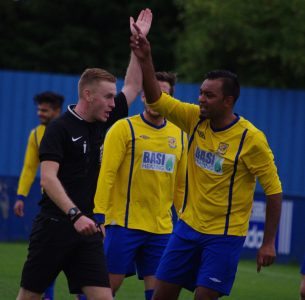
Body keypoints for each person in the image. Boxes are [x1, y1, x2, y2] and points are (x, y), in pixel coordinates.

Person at [130, 23, 283, 300]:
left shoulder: (252, 139)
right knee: (160, 296)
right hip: (187, 228)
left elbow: (273, 191)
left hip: (224, 236)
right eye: (201, 92)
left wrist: (269, 242)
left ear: (228, 101)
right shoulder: (194, 118)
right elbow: (157, 99)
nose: (200, 99)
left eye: (208, 95)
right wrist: (145, 58)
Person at [16, 9, 152, 300]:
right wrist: (75, 214)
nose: (112, 102)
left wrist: (138, 43)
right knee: (29, 296)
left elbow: (133, 85)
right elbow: (49, 179)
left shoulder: (107, 117)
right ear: (88, 95)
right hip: (54, 227)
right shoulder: (59, 129)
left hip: (87, 231)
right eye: (106, 96)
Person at [93, 72, 187, 300]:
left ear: (170, 100)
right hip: (122, 225)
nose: (157, 99)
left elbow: (181, 186)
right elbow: (106, 175)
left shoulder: (181, 136)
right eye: (153, 93)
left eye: (163, 95)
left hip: (161, 230)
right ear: (144, 96)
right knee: (104, 291)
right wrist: (99, 215)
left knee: (160, 295)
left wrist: (185, 220)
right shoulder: (123, 128)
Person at [14, 91, 64, 300]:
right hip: (50, 207)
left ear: (56, 111)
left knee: (82, 264)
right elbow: (28, 168)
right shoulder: (35, 134)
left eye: (44, 110)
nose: (40, 113)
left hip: (77, 205)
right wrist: (20, 196)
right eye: (39, 109)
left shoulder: (69, 130)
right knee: (45, 258)